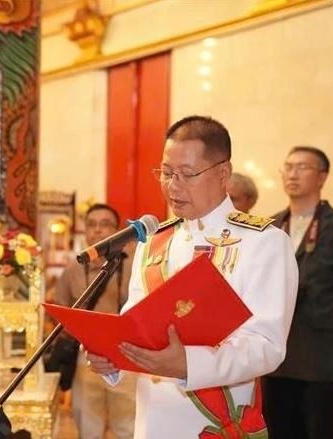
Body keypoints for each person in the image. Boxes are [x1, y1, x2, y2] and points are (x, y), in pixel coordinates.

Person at [85, 115, 299, 438]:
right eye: (166, 173)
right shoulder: (153, 242)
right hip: (153, 424)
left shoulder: (263, 242)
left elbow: (267, 346)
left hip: (220, 424)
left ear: (223, 173)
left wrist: (187, 364)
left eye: (187, 174)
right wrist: (112, 359)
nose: (173, 186)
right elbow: (136, 326)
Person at [262, 146, 333, 439]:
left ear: (322, 177)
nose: (292, 174)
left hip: (324, 361)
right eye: (288, 167)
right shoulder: (268, 228)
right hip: (277, 360)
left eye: (302, 167)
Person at [53, 203, 137, 439]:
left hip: (126, 356)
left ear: (117, 230)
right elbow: (59, 308)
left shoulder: (133, 266)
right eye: (92, 225)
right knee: (88, 426)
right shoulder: (73, 269)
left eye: (105, 225)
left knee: (127, 427)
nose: (98, 231)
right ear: (85, 231)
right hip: (85, 357)